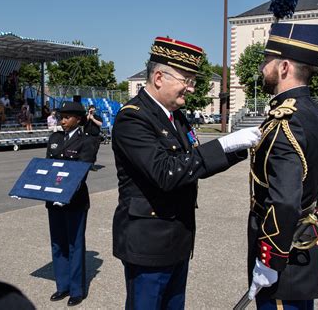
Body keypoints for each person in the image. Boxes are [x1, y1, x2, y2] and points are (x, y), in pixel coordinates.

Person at [112, 36, 261, 309]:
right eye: (187, 80)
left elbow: (193, 164)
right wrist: (224, 144)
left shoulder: (176, 116)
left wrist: (237, 149)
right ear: (159, 77)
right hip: (149, 243)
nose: (191, 89)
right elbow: (166, 173)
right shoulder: (132, 118)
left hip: (178, 238)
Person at [246, 23, 318, 309]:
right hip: (299, 247)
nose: (261, 69)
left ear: (283, 67)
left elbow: (284, 202)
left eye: (266, 62)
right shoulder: (314, 114)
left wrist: (269, 261)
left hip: (284, 259)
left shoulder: (287, 122)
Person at [45, 101, 95, 307]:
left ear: (79, 119)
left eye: (67, 117)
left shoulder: (88, 141)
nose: (62, 121)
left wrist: (64, 190)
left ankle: (77, 290)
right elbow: (47, 167)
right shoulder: (55, 138)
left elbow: (81, 171)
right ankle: (62, 286)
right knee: (58, 244)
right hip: (53, 200)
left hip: (74, 200)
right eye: (60, 117)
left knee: (75, 245)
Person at [83, 105, 103, 171]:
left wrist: (93, 119)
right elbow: (83, 123)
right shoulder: (86, 117)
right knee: (88, 151)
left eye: (93, 110)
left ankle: (92, 164)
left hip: (96, 136)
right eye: (91, 110)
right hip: (87, 136)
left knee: (94, 151)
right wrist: (89, 115)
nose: (92, 111)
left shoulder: (97, 117)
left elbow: (100, 124)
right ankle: (87, 164)